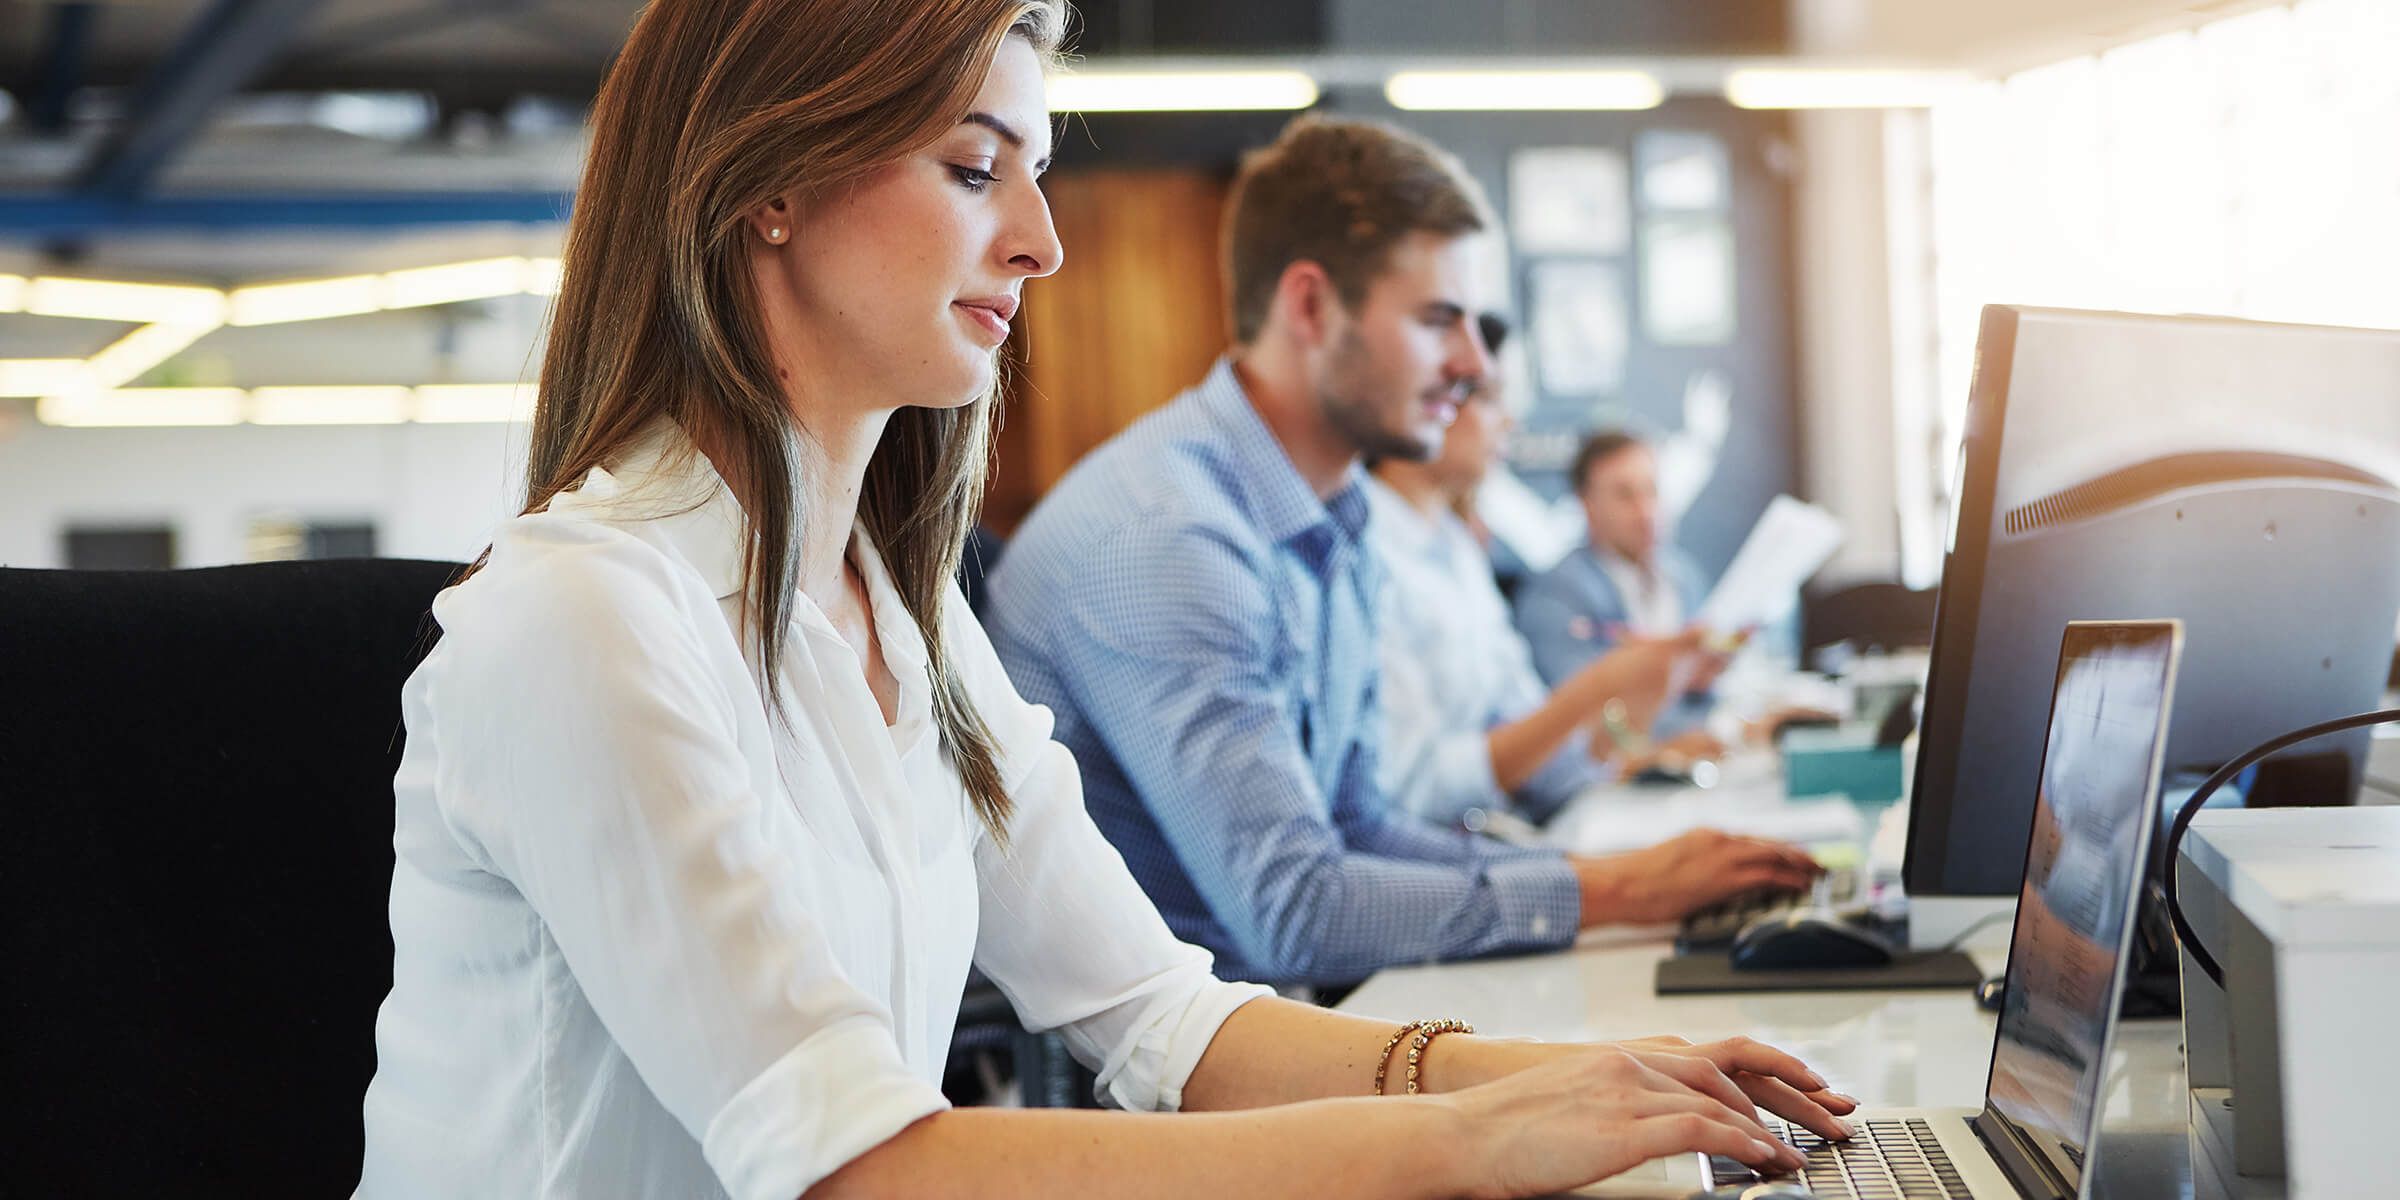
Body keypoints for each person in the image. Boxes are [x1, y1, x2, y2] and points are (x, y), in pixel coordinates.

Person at [357, 3, 1852, 1197]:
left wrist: (1574, 1081)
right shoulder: (587, 620)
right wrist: (1477, 1143)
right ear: (770, 184)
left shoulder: (905, 612)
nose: (1042, 241)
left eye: (1038, 173)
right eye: (971, 168)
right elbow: (860, 1168)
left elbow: (1164, 1020)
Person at [984, 113, 1821, 997]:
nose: (1470, 363)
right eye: (1438, 320)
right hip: (1152, 1085)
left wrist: (1601, 876)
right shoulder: (1172, 539)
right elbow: (1296, 910)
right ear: (1311, 306)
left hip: (1268, 1021)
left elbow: (1360, 825)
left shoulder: (1331, 514)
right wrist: (1612, 889)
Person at [1364, 313, 1699, 827]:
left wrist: (1637, 750)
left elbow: (1529, 724)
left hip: (1522, 827)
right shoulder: (1370, 555)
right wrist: (1598, 690)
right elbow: (1416, 789)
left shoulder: (1456, 550)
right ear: (1431, 400)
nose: (1510, 422)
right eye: (1492, 397)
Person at [1515, 429, 1732, 755]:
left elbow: (1704, 694)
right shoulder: (1554, 595)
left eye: (1652, 491)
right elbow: (1582, 715)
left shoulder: (1684, 577)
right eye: (1625, 495)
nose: (1646, 512)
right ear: (1586, 505)